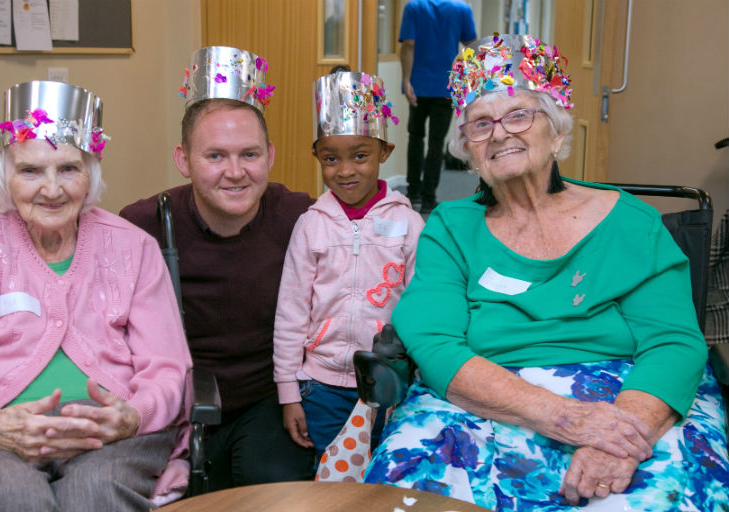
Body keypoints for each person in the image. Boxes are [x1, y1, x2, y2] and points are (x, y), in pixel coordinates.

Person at [364, 34, 729, 510]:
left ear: (556, 132)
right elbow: (434, 343)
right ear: (468, 150)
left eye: (518, 115)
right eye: (480, 125)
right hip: (480, 398)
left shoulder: (630, 222)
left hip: (630, 402)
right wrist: (563, 417)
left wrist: (615, 437)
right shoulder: (450, 229)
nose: (499, 134)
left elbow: (673, 342)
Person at [0, 81, 192, 512]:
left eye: (68, 169)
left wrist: (133, 415)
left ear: (91, 173)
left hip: (114, 434)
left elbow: (168, 368)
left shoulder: (134, 247)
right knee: (14, 499)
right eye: (30, 171)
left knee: (93, 495)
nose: (52, 189)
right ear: (5, 173)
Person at [119, 46, 316, 490]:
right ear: (183, 160)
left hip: (267, 399)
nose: (235, 172)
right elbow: (65, 241)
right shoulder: (143, 226)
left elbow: (369, 234)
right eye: (215, 156)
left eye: (249, 155)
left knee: (277, 489)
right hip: (175, 403)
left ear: (270, 154)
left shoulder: (301, 218)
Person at [273, 70, 424, 465]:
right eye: (330, 158)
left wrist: (417, 374)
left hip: (392, 382)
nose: (345, 170)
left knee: (386, 472)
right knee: (335, 477)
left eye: (360, 155)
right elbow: (290, 312)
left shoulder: (409, 224)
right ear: (317, 157)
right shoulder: (311, 225)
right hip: (322, 387)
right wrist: (289, 393)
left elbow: (420, 304)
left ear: (385, 152)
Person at [399, 0, 476, 213]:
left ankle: (413, 192)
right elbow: (472, 46)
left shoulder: (413, 7)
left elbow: (408, 45)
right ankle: (428, 198)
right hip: (447, 85)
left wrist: (406, 80)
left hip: (418, 85)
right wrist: (462, 75)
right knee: (436, 142)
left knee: (415, 137)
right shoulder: (462, 9)